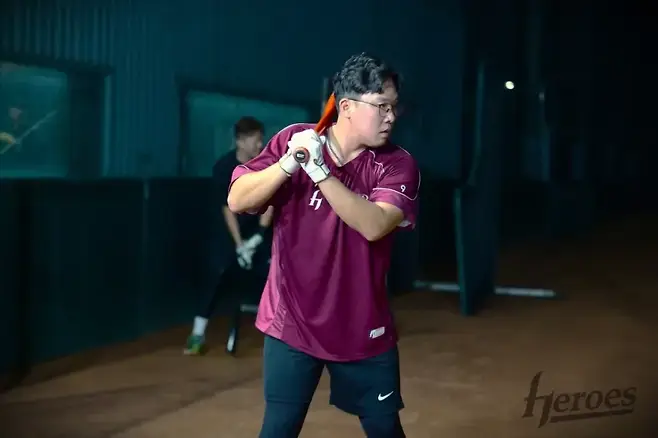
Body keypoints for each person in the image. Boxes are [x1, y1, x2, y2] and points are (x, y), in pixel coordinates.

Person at [228, 53, 420, 437]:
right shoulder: (294, 140)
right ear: (345, 107)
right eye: (381, 106)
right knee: (279, 429)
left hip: (363, 329)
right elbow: (238, 199)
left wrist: (319, 172)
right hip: (292, 324)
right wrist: (287, 164)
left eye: (394, 107)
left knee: (385, 429)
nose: (391, 117)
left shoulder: (397, 164)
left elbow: (374, 225)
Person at [184, 116, 273, 355]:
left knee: (276, 269)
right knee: (216, 271)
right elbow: (227, 208)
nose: (260, 144)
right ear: (240, 141)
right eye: (255, 140)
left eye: (261, 139)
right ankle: (197, 335)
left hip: (257, 230)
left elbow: (271, 203)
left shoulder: (266, 166)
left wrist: (258, 238)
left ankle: (285, 332)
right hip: (228, 231)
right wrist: (240, 246)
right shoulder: (224, 167)